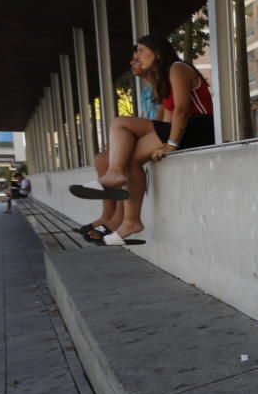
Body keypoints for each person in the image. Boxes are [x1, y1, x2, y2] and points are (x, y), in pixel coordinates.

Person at [70, 34, 214, 244]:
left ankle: (114, 177)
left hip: (202, 128)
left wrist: (171, 145)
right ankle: (131, 220)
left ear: (157, 53)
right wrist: (140, 141)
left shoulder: (178, 68)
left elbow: (182, 110)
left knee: (120, 122)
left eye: (140, 50)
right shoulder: (164, 79)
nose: (135, 56)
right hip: (189, 129)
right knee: (127, 156)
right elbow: (165, 117)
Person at [78, 53, 160, 243]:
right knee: (102, 158)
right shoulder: (147, 91)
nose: (132, 62)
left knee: (123, 161)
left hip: (161, 137)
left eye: (137, 58)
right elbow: (143, 120)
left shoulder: (164, 86)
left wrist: (168, 144)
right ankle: (109, 215)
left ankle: (119, 219)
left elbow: (164, 122)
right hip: (151, 136)